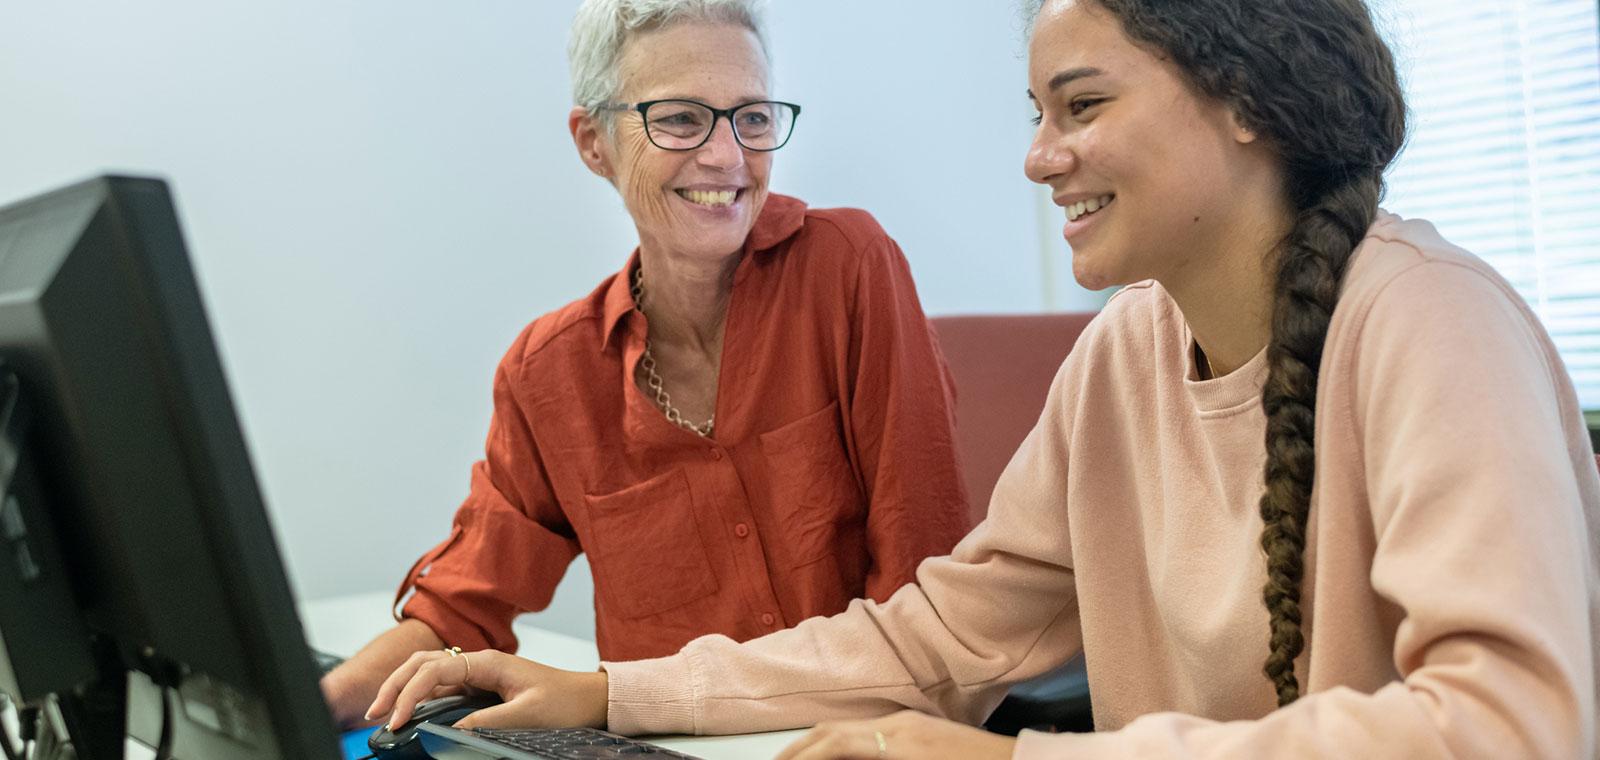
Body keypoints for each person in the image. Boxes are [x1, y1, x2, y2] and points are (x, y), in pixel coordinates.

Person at [366, 0, 1600, 756]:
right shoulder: (1120, 356)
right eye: (1034, 109)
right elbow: (940, 632)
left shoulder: (1432, 327)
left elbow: (1511, 732)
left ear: (1247, 105)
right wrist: (609, 696)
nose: (1035, 156)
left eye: (1081, 104)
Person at [319, 0, 971, 729]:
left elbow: (925, 602)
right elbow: (461, 608)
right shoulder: (549, 372)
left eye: (752, 117)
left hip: (864, 737)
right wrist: (298, 714)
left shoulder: (848, 268)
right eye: (682, 119)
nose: (727, 156)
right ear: (593, 142)